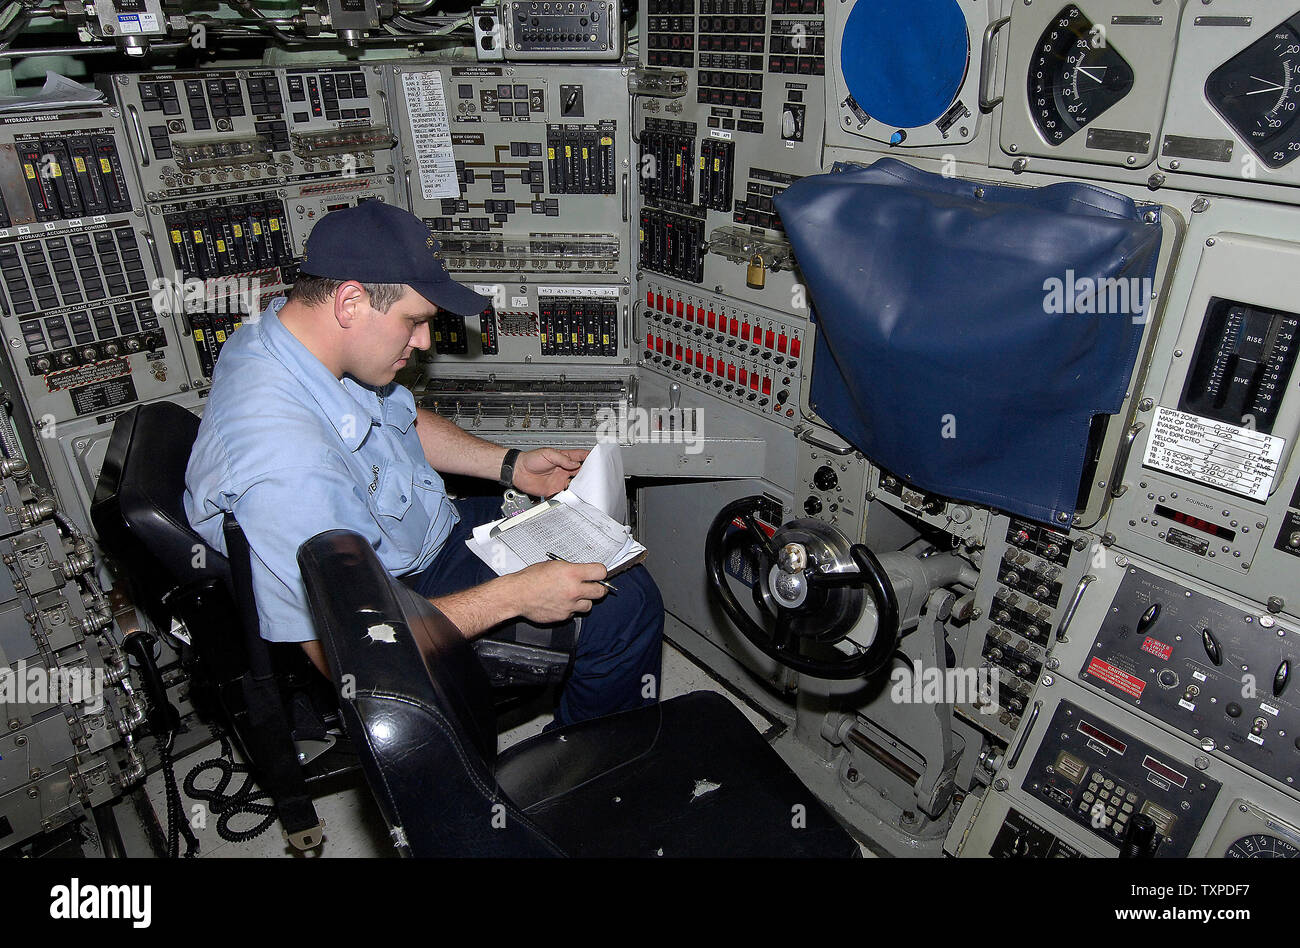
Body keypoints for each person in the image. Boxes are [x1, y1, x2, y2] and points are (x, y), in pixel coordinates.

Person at [184, 201, 663, 727]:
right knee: (626, 606)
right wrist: (517, 595)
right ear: (350, 302)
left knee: (592, 538)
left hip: (420, 534)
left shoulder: (288, 335)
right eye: (413, 322)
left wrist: (512, 466)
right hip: (393, 604)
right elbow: (350, 652)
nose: (424, 342)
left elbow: (400, 420)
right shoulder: (284, 465)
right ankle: (596, 773)